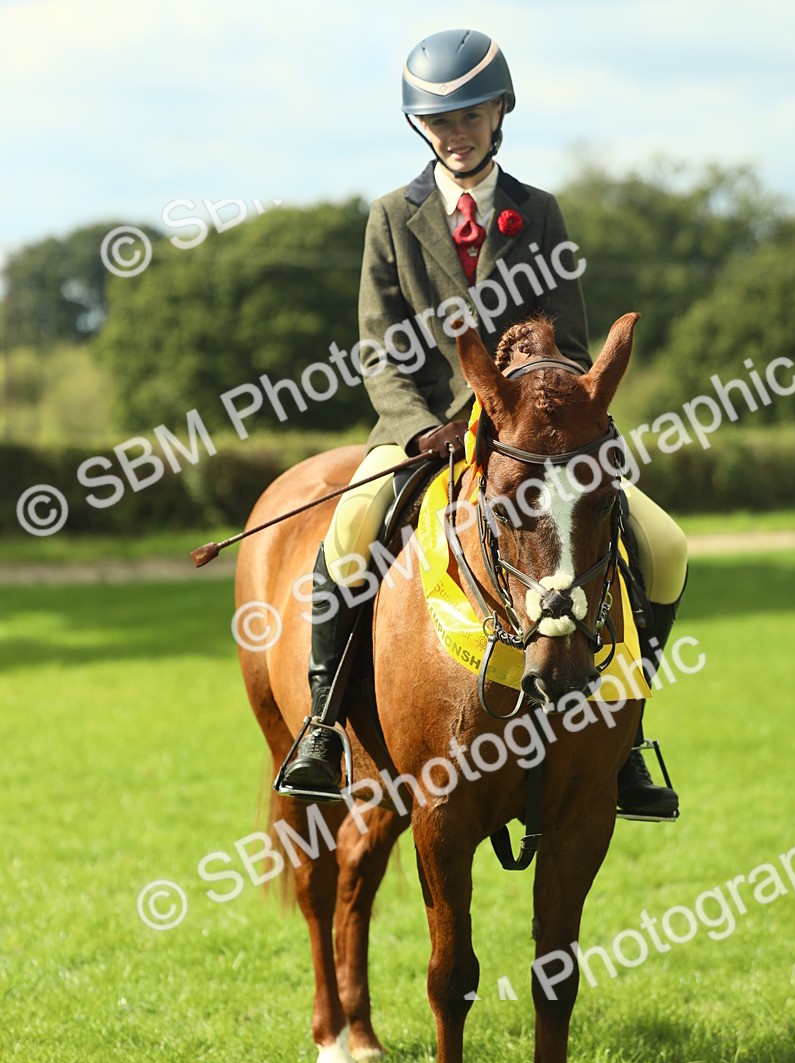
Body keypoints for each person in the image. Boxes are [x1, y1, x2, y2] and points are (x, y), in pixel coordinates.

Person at [282, 28, 688, 820]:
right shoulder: (391, 217)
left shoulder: (540, 212)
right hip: (418, 434)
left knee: (664, 545)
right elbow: (378, 346)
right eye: (440, 121)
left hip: (526, 441)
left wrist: (516, 415)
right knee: (349, 534)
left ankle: (630, 736)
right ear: (420, 128)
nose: (455, 132)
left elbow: (568, 341)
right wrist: (419, 425)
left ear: (500, 113)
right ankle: (324, 727)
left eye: (470, 115)